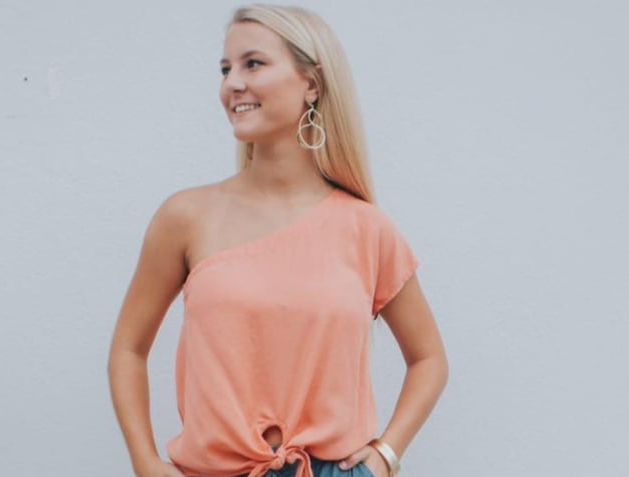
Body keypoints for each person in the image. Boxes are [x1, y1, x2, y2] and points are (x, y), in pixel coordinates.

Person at [108, 4, 448, 477]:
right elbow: (128, 348)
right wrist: (145, 463)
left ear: (311, 82)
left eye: (253, 63)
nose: (232, 84)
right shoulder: (185, 217)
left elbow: (429, 358)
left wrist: (385, 457)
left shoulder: (367, 228)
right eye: (226, 69)